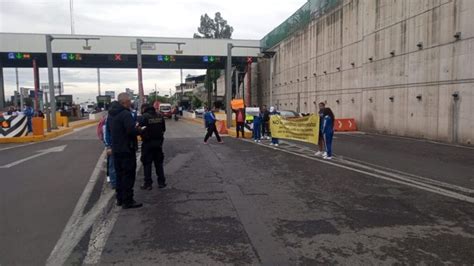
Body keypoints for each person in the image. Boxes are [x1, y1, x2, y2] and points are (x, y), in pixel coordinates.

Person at [107, 93, 142, 209]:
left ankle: (120, 199)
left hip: (116, 149)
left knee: (119, 175)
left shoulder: (111, 114)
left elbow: (110, 131)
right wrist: (139, 129)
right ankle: (128, 201)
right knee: (128, 175)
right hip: (127, 149)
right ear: (123, 102)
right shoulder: (125, 114)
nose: (130, 103)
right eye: (129, 101)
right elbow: (131, 131)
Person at [139, 104, 167, 190]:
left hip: (147, 143)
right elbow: (163, 129)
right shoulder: (159, 115)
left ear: (144, 109)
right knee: (159, 163)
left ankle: (148, 184)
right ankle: (161, 182)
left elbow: (140, 129)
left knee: (147, 164)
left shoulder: (144, 117)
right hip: (158, 143)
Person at [102, 114, 117, 189]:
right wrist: (108, 146)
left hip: (112, 146)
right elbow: (105, 132)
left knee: (112, 165)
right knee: (112, 165)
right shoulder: (108, 119)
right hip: (113, 146)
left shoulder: (108, 118)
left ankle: (114, 182)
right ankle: (114, 182)